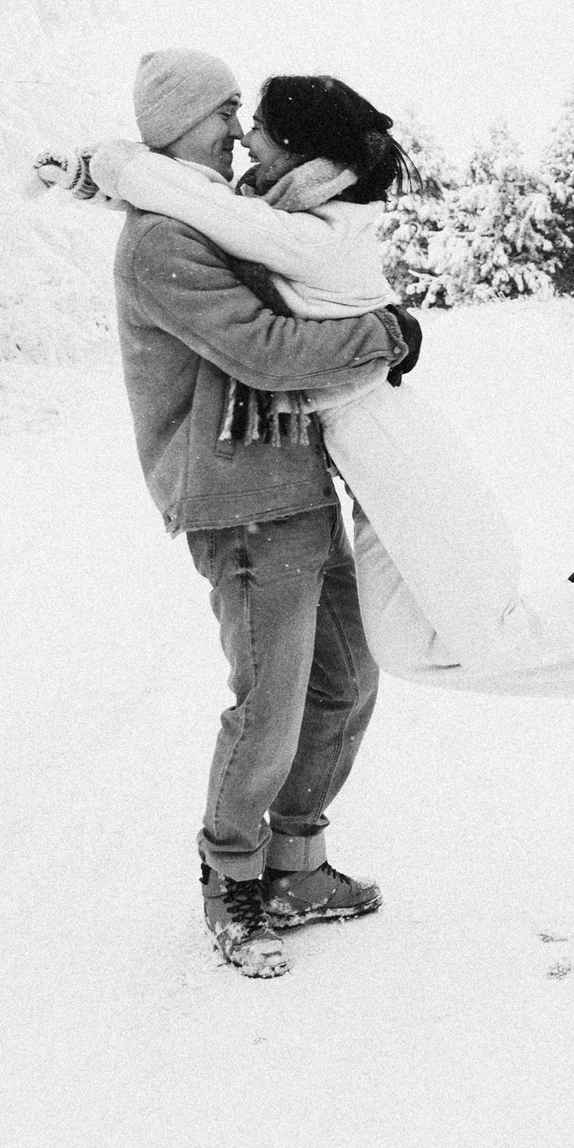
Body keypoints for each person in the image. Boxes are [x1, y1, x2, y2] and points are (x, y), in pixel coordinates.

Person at [46, 72, 574, 709]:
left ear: (299, 149)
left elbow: (196, 205)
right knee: (404, 647)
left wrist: (112, 161)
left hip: (390, 439)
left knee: (487, 639)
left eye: (258, 128)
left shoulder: (319, 233)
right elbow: (196, 205)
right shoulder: (285, 215)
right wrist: (92, 178)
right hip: (355, 455)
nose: (243, 140)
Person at [92, 49, 419, 980]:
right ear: (180, 121)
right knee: (269, 703)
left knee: (347, 682)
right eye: (225, 110)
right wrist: (388, 334)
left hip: (299, 485)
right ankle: (232, 880)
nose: (240, 130)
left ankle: (298, 868)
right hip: (237, 498)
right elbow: (269, 352)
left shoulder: (217, 222)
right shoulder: (163, 242)